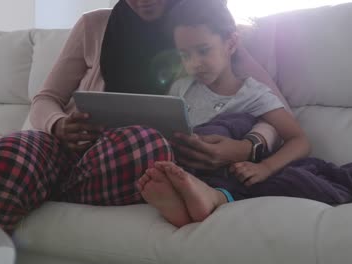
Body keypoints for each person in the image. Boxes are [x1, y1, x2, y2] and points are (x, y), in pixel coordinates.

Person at [0, 0, 290, 235]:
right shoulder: (93, 26)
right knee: (5, 154)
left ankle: (42, 190)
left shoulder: (200, 34)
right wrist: (58, 124)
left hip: (128, 157)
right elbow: (45, 99)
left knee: (143, 146)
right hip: (68, 148)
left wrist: (248, 148)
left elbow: (277, 109)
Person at [137, 0, 352, 228]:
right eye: (185, 55)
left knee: (237, 136)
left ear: (231, 43)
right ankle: (182, 199)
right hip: (187, 165)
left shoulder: (253, 94)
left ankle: (211, 197)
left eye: (203, 50)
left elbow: (299, 140)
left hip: (229, 172)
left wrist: (265, 167)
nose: (194, 64)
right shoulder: (181, 88)